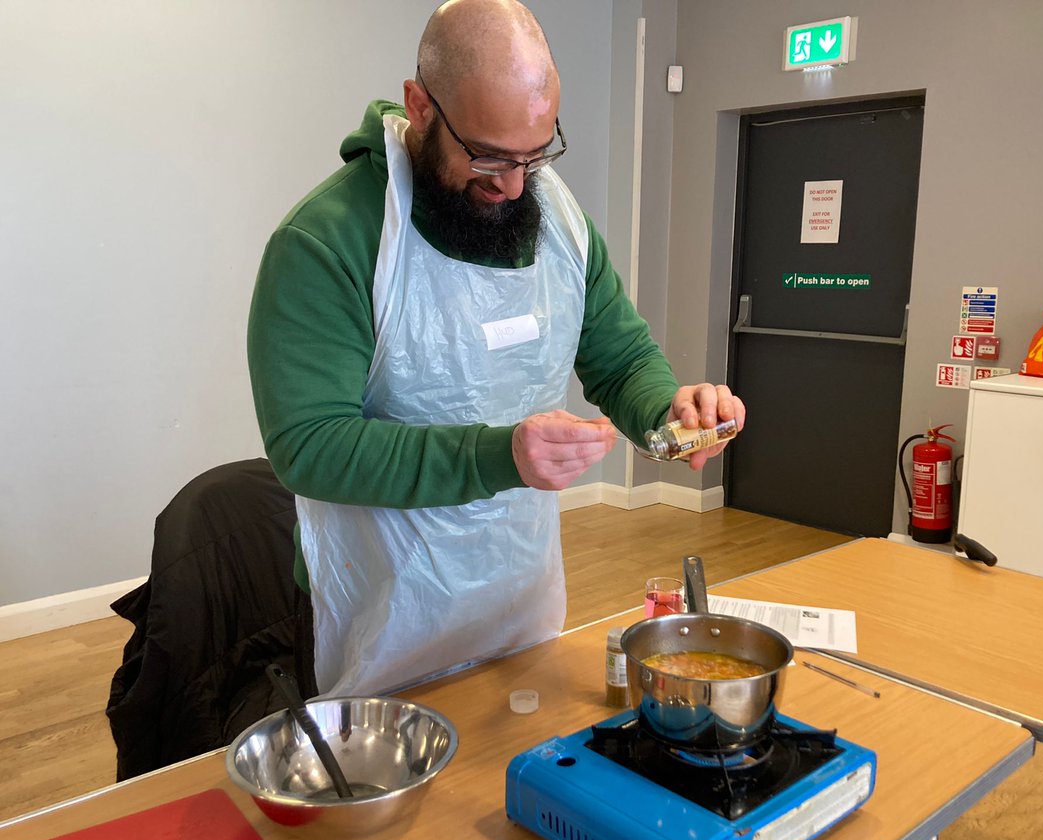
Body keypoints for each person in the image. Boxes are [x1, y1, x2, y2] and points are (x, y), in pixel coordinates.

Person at [247, 0, 744, 698]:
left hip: (517, 589)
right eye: (486, 156)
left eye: (534, 156)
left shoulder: (560, 224)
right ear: (421, 107)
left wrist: (670, 412)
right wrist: (501, 454)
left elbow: (621, 358)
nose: (512, 185)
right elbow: (312, 445)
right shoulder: (327, 241)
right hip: (379, 607)